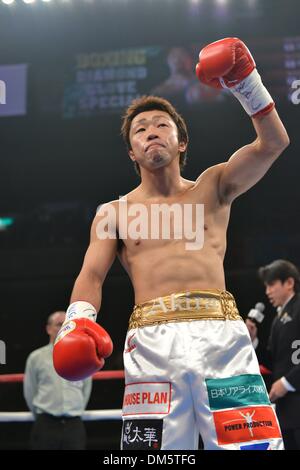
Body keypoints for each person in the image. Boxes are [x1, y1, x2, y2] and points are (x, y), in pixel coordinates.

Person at [53, 38, 290, 450]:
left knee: (251, 448)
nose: (151, 133)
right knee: (154, 455)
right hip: (151, 344)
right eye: (140, 130)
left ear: (182, 142)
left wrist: (246, 83)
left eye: (161, 125)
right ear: (132, 152)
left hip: (221, 339)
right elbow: (91, 274)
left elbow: (273, 144)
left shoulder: (214, 186)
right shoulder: (113, 212)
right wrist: (77, 322)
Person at [246, 260, 300, 450]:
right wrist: (253, 341)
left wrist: (287, 382)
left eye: (272, 284)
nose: (267, 291)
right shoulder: (279, 318)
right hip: (287, 411)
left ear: (289, 283)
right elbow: (272, 362)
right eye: (266, 286)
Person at [24, 311, 92, 450]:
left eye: (67, 324)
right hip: (46, 423)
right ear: (49, 329)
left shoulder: (82, 355)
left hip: (74, 424)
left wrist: (76, 410)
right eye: (59, 324)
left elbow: (86, 388)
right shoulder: (36, 357)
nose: (63, 327)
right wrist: (41, 414)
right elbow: (30, 390)